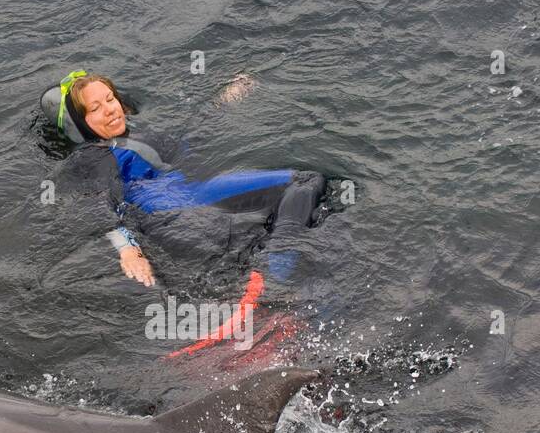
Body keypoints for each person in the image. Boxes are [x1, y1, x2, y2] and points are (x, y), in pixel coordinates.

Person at [40, 70, 329, 289]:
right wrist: (128, 249)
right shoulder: (93, 158)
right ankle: (270, 285)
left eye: (110, 99)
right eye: (95, 108)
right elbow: (100, 204)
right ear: (81, 124)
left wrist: (219, 104)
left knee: (304, 182)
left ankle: (275, 269)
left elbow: (185, 144)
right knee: (235, 244)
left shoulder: (139, 135)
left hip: (196, 192)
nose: (110, 109)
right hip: (164, 211)